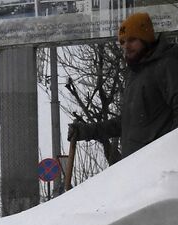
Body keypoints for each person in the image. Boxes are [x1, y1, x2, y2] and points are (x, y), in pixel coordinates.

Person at [68, 12, 178, 159]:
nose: (126, 46)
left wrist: (167, 155)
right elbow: (128, 123)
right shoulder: (135, 74)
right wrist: (87, 131)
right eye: (122, 42)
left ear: (146, 39)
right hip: (138, 167)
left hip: (160, 168)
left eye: (132, 40)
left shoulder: (167, 65)